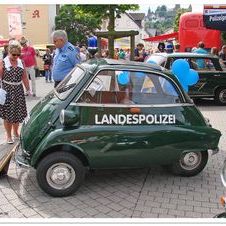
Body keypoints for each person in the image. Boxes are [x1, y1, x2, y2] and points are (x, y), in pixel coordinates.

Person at [0, 41, 30, 144]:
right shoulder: (3, 62)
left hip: (18, 91)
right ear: (9, 52)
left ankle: (16, 132)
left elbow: (25, 77)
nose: (16, 56)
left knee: (17, 114)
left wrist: (28, 89)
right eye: (14, 54)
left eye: (18, 54)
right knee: (8, 115)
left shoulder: (21, 62)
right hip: (7, 91)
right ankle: (8, 135)